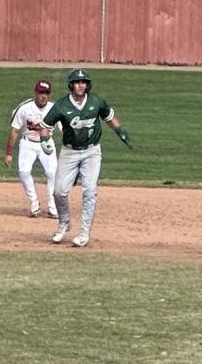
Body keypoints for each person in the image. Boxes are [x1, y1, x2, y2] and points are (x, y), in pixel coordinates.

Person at [40, 69, 133, 247]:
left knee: (89, 190)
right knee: (59, 191)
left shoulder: (96, 101)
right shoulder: (61, 105)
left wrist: (121, 132)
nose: (81, 85)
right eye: (77, 82)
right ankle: (64, 222)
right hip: (69, 152)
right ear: (71, 85)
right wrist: (44, 140)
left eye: (83, 82)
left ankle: (84, 232)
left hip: (92, 151)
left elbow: (109, 117)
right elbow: (46, 125)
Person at [4, 79, 59, 218]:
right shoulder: (24, 108)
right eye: (41, 92)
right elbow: (15, 130)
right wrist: (9, 153)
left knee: (52, 172)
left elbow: (67, 130)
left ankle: (53, 206)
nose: (43, 96)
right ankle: (34, 202)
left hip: (46, 143)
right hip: (28, 143)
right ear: (36, 93)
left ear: (50, 94)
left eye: (46, 93)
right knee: (24, 171)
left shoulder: (55, 109)